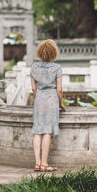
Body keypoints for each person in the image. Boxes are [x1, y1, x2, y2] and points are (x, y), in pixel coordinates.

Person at [30, 39, 65, 172]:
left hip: (39, 99)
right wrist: (60, 104)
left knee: (37, 131)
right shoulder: (57, 68)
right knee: (47, 132)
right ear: (53, 52)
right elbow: (60, 89)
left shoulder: (34, 67)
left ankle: (37, 163)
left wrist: (38, 98)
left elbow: (33, 88)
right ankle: (45, 163)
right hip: (52, 100)